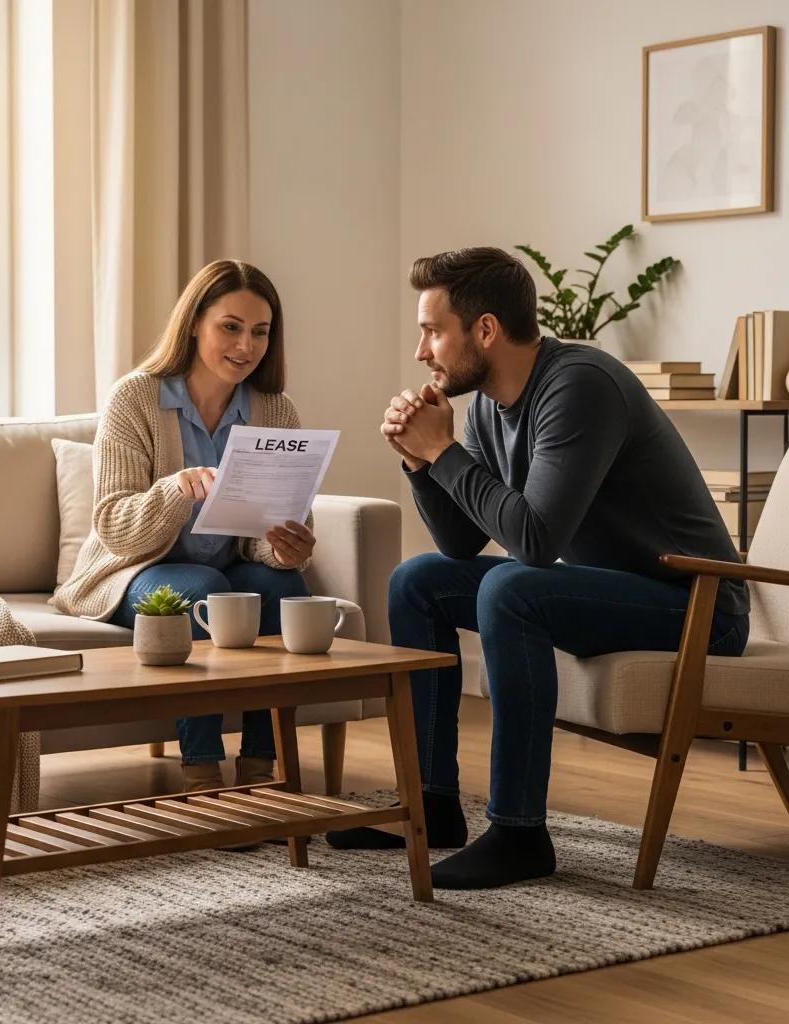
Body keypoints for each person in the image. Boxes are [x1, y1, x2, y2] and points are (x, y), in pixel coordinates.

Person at [327, 247, 749, 889]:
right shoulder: (489, 405)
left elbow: (533, 539)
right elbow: (461, 541)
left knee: (511, 587)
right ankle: (432, 806)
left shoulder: (579, 386)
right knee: (418, 581)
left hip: (699, 607)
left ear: (485, 330)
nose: (421, 351)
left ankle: (519, 834)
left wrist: (442, 450)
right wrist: (420, 461)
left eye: (433, 331)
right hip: (611, 591)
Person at [52, 259, 315, 792]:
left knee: (284, 586)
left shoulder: (274, 410)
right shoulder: (135, 397)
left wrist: (284, 547)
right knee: (201, 589)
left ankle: (262, 766)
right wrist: (175, 490)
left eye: (260, 332)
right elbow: (114, 526)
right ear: (194, 323)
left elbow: (267, 527)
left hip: (226, 566)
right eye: (230, 327)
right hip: (133, 571)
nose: (245, 345)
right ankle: (202, 771)